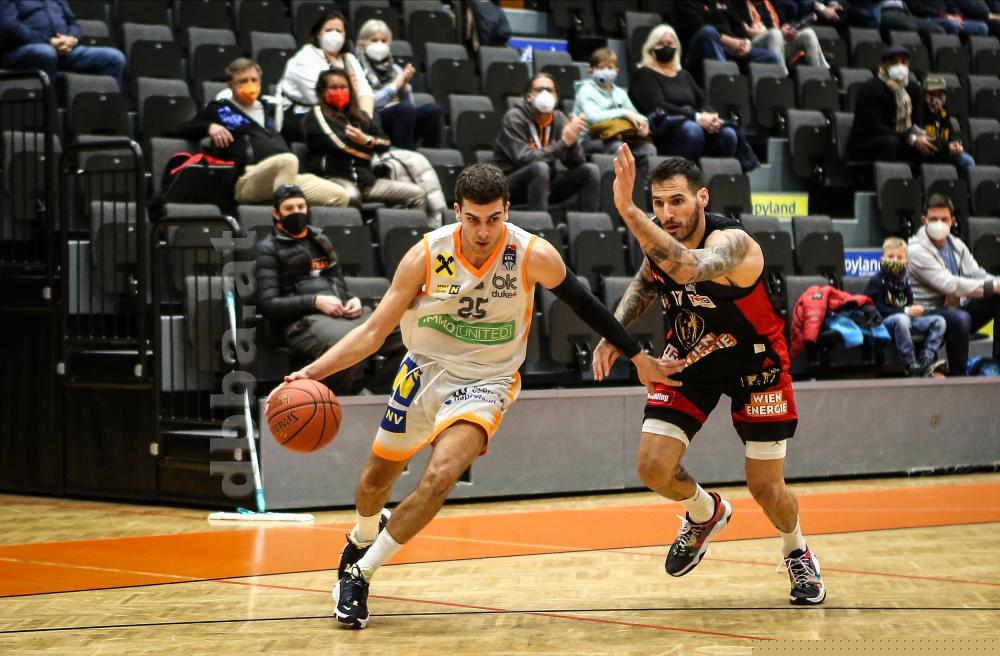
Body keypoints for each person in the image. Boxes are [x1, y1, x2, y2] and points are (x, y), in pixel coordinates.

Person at [281, 163, 683, 629]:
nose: (483, 231)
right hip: (423, 371)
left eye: (493, 219)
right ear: (457, 211)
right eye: (473, 219)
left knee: (439, 477)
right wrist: (311, 373)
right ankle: (362, 535)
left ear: (507, 210)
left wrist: (636, 356)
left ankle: (361, 573)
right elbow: (372, 333)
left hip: (487, 382)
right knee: (374, 481)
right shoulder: (425, 255)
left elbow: (586, 305)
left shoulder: (532, 253)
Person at [593, 147, 827, 606]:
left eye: (676, 201)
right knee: (652, 467)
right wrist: (615, 335)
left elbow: (686, 266)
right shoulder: (660, 236)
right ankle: (705, 513)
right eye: (657, 203)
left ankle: (796, 550)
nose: (666, 213)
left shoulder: (734, 244)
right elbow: (647, 281)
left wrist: (627, 210)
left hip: (755, 364)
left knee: (765, 487)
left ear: (702, 197)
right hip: (692, 355)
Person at [255, 184, 402, 393]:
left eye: (301, 207)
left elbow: (338, 283)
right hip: (302, 321)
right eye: (289, 208)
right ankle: (332, 401)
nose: (297, 212)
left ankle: (371, 395)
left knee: (405, 334)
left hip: (340, 315)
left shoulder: (320, 239)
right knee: (342, 345)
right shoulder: (268, 249)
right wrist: (315, 301)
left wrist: (352, 299)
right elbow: (268, 304)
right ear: (276, 214)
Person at [178, 58, 349, 207]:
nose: (250, 84)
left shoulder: (269, 108)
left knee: (340, 195)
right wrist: (209, 127)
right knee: (288, 160)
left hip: (285, 174)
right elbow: (183, 128)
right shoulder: (220, 109)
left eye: (254, 80)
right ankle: (283, 221)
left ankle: (306, 229)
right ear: (230, 85)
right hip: (246, 179)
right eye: (243, 81)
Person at [303, 69, 428, 213]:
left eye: (344, 87)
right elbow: (341, 145)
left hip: (367, 182)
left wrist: (366, 140)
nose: (340, 91)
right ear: (323, 91)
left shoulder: (359, 116)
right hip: (335, 180)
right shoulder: (316, 116)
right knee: (351, 196)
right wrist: (370, 150)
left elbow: (385, 143)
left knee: (418, 194)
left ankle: (411, 228)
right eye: (334, 87)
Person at [907, 194, 999, 376]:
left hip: (954, 308)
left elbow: (977, 274)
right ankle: (958, 376)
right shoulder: (915, 251)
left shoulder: (957, 245)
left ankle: (998, 363)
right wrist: (993, 286)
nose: (939, 224)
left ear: (953, 221)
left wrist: (996, 283)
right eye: (934, 219)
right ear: (924, 220)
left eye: (944, 219)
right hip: (926, 312)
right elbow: (949, 285)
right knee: (960, 318)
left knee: (997, 295)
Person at [628, 25, 741, 165]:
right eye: (661, 43)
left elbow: (702, 101)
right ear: (651, 48)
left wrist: (711, 117)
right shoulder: (644, 74)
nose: (666, 47)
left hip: (694, 123)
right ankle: (683, 176)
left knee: (728, 134)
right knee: (693, 130)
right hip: (664, 130)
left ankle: (717, 177)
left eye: (670, 43)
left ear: (677, 47)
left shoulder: (684, 75)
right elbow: (658, 106)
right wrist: (696, 117)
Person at [492, 73, 600, 212]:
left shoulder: (559, 118)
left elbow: (576, 163)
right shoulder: (514, 117)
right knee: (539, 168)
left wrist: (572, 140)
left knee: (590, 171)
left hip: (545, 182)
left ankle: (588, 224)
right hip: (510, 186)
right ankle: (541, 223)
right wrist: (563, 143)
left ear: (556, 97)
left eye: (549, 90)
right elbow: (524, 159)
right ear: (528, 96)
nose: (545, 94)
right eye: (539, 90)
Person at [279, 11, 374, 139]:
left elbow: (365, 92)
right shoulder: (304, 57)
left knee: (374, 118)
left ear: (345, 35)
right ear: (318, 34)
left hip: (343, 113)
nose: (334, 35)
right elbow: (317, 98)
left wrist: (367, 122)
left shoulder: (349, 59)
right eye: (328, 30)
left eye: (339, 31)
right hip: (307, 115)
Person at [354, 19, 444, 149]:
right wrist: (394, 87)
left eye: (383, 41)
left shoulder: (395, 69)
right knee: (404, 109)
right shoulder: (357, 67)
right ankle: (404, 154)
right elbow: (368, 104)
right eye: (374, 40)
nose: (379, 44)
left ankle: (433, 154)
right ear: (362, 43)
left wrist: (404, 88)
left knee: (433, 110)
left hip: (401, 117)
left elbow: (410, 106)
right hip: (375, 119)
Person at [0, 0, 126, 92]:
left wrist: (72, 39)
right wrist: (49, 42)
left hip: (64, 51)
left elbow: (73, 22)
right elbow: (9, 26)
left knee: (115, 58)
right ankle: (48, 112)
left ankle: (105, 115)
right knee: (46, 52)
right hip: (21, 50)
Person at [865, 237, 947, 376]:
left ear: (906, 262)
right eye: (890, 256)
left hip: (906, 320)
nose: (895, 260)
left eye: (899, 257)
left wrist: (915, 310)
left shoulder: (905, 281)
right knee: (902, 319)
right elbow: (877, 311)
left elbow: (909, 303)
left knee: (939, 321)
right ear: (882, 260)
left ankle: (926, 360)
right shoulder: (876, 281)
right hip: (885, 323)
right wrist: (906, 311)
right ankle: (911, 364)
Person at [573, 47, 656, 179]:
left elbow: (636, 114)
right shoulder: (586, 90)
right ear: (591, 71)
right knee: (619, 147)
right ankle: (617, 185)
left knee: (648, 149)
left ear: (616, 71)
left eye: (610, 67)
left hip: (616, 137)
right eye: (601, 68)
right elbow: (593, 117)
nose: (606, 71)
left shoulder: (620, 92)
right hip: (588, 140)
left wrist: (644, 124)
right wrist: (624, 113)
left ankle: (643, 186)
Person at [847, 46, 931, 162]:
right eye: (894, 62)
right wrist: (910, 138)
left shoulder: (914, 88)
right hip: (866, 142)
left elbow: (917, 122)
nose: (900, 66)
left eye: (903, 62)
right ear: (884, 65)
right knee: (891, 143)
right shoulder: (871, 89)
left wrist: (922, 137)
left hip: (901, 138)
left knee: (930, 145)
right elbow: (874, 128)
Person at [675, 0, 783, 81]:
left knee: (770, 57)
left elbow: (739, 26)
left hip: (732, 49)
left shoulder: (724, 2)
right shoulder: (687, 3)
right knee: (708, 32)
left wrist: (745, 42)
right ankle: (727, 85)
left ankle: (756, 99)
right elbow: (697, 27)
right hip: (700, 50)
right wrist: (729, 41)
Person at [918, 76, 976, 179]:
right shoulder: (919, 112)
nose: (937, 98)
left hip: (944, 151)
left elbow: (951, 134)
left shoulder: (943, 111)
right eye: (933, 94)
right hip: (926, 154)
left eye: (940, 94)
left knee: (967, 161)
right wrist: (948, 148)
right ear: (925, 95)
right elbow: (925, 140)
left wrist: (957, 145)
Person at [745, 0, 831, 69]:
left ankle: (820, 72)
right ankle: (780, 76)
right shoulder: (742, 4)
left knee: (808, 33)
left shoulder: (770, 3)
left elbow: (781, 26)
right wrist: (778, 32)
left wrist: (787, 30)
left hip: (778, 43)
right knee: (775, 34)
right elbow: (744, 31)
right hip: (753, 47)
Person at [910, 0, 990, 35]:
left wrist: (957, 16)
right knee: (953, 24)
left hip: (947, 19)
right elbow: (916, 7)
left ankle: (967, 57)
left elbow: (951, 5)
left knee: (982, 27)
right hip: (928, 18)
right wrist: (942, 15)